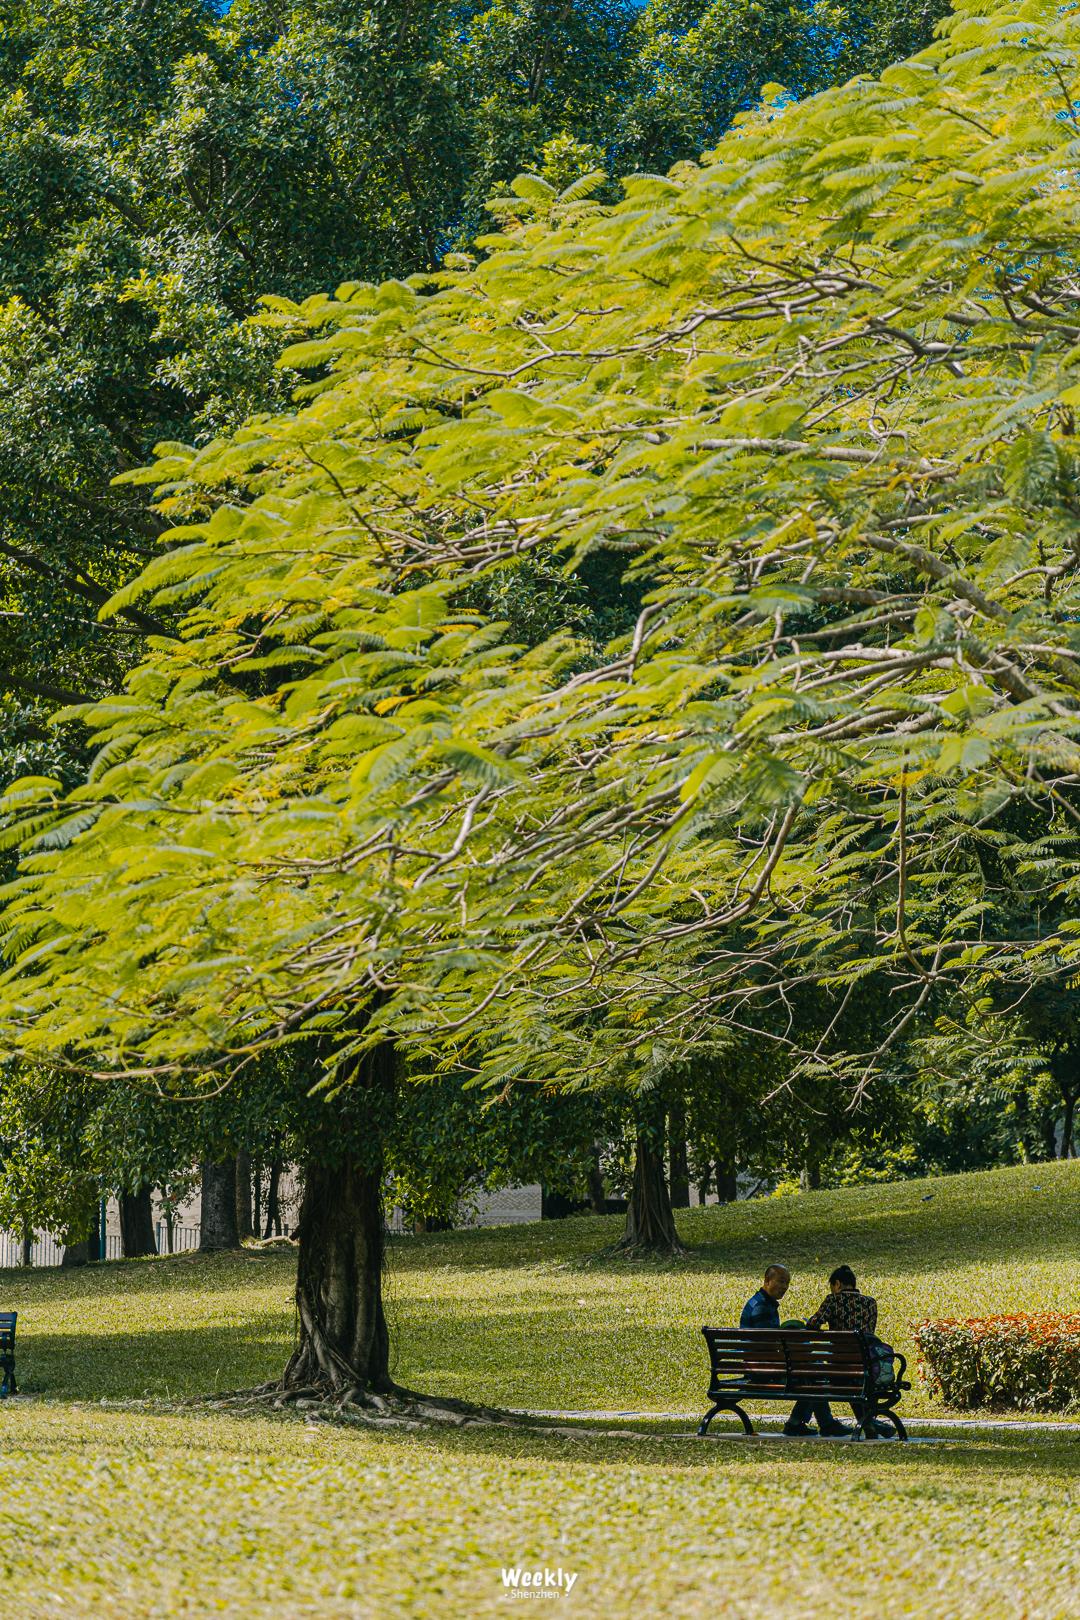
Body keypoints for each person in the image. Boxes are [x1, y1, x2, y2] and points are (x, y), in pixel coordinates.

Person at [740, 1265, 851, 1437]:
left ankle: (798, 1423)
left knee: (811, 1370)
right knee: (812, 1372)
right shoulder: (762, 1308)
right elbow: (770, 1346)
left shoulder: (760, 1303)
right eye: (781, 1281)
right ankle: (822, 1423)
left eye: (787, 1283)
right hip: (763, 1371)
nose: (785, 1287)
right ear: (767, 1281)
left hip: (759, 1366)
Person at [806, 1265, 890, 1438]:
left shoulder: (833, 1300)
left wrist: (811, 1322)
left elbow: (814, 1323)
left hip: (839, 1367)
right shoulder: (870, 1303)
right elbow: (869, 1333)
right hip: (864, 1365)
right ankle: (869, 1424)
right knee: (854, 1381)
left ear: (837, 1284)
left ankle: (869, 1424)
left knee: (831, 1376)